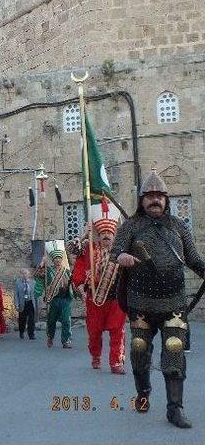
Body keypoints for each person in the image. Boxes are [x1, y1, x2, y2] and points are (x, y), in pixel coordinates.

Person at [112, 169, 205, 428]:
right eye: (150, 196)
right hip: (140, 304)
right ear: (142, 199)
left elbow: (194, 260)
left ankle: (174, 409)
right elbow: (115, 251)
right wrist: (122, 257)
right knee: (140, 351)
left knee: (174, 350)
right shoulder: (130, 226)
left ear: (166, 199)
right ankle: (143, 394)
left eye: (159, 196)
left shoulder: (179, 227)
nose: (155, 200)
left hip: (173, 305)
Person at [69, 199, 126, 374]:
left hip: (116, 298)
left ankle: (116, 363)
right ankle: (95, 355)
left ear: (115, 234)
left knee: (118, 331)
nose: (107, 236)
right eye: (103, 233)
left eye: (110, 233)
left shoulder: (122, 250)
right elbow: (71, 250)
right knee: (94, 333)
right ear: (98, 235)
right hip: (94, 299)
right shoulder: (89, 249)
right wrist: (83, 235)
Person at [35, 243, 75, 349]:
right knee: (51, 321)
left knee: (66, 320)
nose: (57, 260)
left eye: (59, 258)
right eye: (56, 258)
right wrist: (43, 262)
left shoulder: (66, 271)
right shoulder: (48, 271)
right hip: (54, 299)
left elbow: (73, 283)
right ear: (53, 260)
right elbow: (38, 275)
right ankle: (50, 337)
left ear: (61, 259)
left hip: (65, 299)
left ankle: (66, 341)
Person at [14, 268, 38, 340]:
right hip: (22, 302)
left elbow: (36, 295)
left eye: (26, 273)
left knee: (31, 319)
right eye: (23, 273)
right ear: (21, 275)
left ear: (29, 274)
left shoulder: (33, 282)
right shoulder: (18, 282)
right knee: (22, 319)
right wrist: (16, 304)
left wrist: (37, 305)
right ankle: (21, 332)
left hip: (30, 302)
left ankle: (31, 334)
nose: (24, 275)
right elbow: (16, 294)